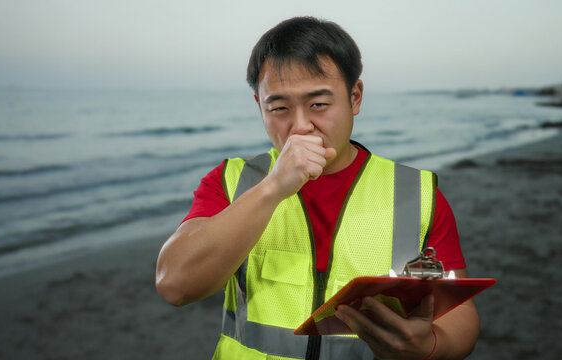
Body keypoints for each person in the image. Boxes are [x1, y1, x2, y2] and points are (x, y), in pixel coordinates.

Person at [156, 16, 479, 360]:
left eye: (319, 105)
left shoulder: (417, 194)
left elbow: (461, 319)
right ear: (259, 107)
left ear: (355, 97)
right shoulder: (232, 181)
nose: (301, 126)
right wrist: (274, 187)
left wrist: (428, 347)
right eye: (279, 108)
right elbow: (175, 285)